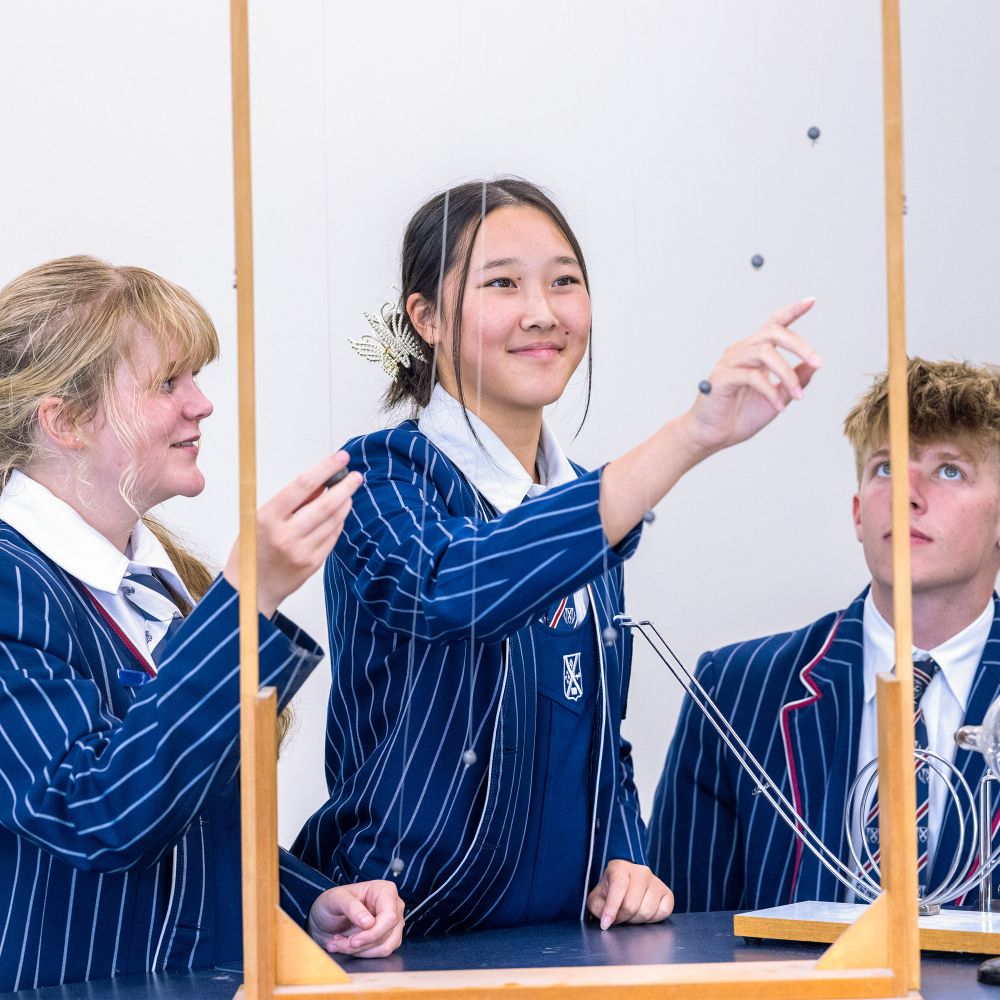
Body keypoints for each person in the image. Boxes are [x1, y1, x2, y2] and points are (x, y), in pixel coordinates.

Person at [293, 178, 821, 936]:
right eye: (503, 283)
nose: (543, 312)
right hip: (398, 937)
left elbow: (600, 739)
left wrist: (625, 856)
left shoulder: (580, 497)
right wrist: (692, 434)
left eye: (564, 281)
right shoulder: (378, 477)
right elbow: (455, 588)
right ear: (428, 318)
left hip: (572, 946)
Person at [0, 256, 404, 993]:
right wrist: (246, 598)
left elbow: (188, 816)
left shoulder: (159, 585)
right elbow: (96, 811)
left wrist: (305, 897)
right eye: (166, 383)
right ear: (65, 421)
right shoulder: (8, 584)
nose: (201, 404)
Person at [648, 358, 1000, 912]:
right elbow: (684, 942)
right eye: (886, 468)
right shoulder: (735, 691)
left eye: (949, 470)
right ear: (859, 514)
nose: (907, 495)